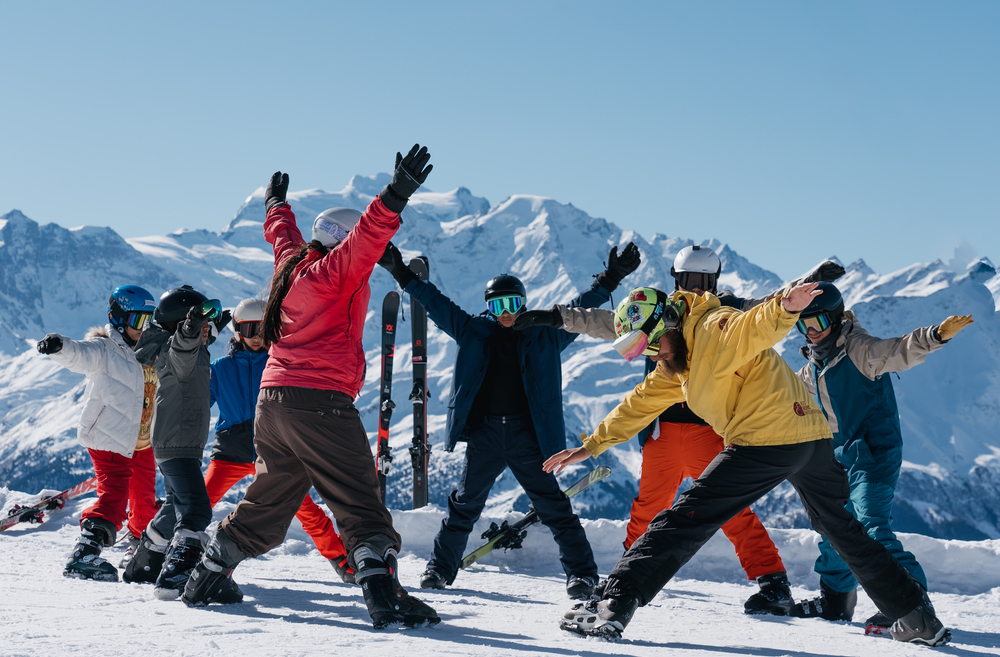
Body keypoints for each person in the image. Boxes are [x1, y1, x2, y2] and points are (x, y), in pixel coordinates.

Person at [545, 284, 950, 646]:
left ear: (666, 322)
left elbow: (751, 327)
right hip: (810, 438)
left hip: (766, 439)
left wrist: (783, 309)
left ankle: (611, 606)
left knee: (686, 517)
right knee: (845, 532)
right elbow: (640, 403)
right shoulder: (677, 361)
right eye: (635, 351)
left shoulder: (712, 327)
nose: (646, 356)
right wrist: (590, 446)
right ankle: (916, 618)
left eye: (646, 345)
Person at [182, 145, 440, 631]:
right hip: (318, 403)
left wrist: (275, 205)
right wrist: (397, 193)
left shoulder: (291, 267)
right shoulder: (337, 271)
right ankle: (384, 597)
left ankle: (207, 574)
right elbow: (367, 235)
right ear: (341, 242)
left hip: (272, 404)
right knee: (358, 498)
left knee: (272, 496)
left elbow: (283, 237)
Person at [514, 245, 846, 614]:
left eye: (702, 280)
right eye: (689, 279)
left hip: (710, 429)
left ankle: (771, 580)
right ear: (676, 280)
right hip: (663, 427)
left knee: (729, 508)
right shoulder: (662, 313)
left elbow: (772, 306)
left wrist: (813, 283)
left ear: (714, 280)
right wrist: (556, 317)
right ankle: (627, 575)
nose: (696, 285)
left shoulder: (726, 311)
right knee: (649, 507)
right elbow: (608, 323)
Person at [378, 241, 640, 599]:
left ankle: (582, 575)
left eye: (513, 304)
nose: (506, 313)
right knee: (464, 506)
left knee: (554, 507)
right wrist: (401, 273)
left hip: (528, 436)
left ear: (524, 303)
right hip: (486, 433)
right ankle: (440, 569)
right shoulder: (472, 330)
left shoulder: (545, 332)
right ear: (488, 308)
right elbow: (435, 304)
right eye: (498, 305)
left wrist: (610, 279)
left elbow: (581, 310)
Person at [789, 281, 973, 634]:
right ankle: (836, 601)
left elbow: (899, 350)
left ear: (836, 319)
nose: (810, 333)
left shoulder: (859, 350)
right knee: (833, 527)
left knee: (871, 527)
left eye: (817, 324)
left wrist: (936, 335)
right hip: (838, 458)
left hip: (873, 454)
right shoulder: (812, 367)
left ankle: (913, 603)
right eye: (803, 325)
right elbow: (786, 396)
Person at [204, 297, 354, 583]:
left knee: (306, 510)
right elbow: (198, 406)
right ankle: (164, 551)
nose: (257, 336)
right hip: (231, 453)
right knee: (198, 502)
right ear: (237, 331)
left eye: (263, 328)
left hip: (274, 452)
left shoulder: (282, 364)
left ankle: (342, 560)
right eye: (249, 330)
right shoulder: (220, 369)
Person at [36, 285, 159, 582]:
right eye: (138, 321)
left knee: (144, 497)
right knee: (114, 493)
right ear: (119, 319)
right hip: (109, 437)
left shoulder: (152, 349)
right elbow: (80, 355)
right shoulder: (104, 349)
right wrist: (60, 346)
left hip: (142, 441)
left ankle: (140, 546)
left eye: (149, 320)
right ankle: (84, 552)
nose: (144, 329)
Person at [124, 285, 231, 599]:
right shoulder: (178, 351)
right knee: (196, 510)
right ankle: (176, 577)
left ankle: (145, 563)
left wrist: (215, 323)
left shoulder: (182, 346)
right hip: (178, 444)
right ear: (183, 324)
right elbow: (185, 346)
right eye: (202, 326)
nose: (207, 332)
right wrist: (192, 326)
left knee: (175, 507)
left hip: (178, 443)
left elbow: (194, 341)